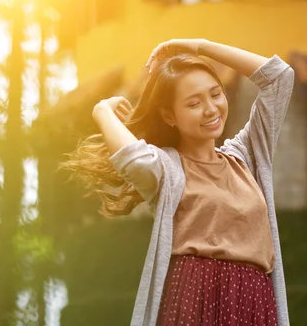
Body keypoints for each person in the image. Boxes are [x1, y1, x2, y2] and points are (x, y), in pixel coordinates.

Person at [61, 38, 294, 326]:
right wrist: (102, 112)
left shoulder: (247, 156)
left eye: (215, 94)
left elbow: (279, 78)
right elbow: (133, 159)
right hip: (193, 297)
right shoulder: (166, 167)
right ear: (170, 116)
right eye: (194, 103)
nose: (210, 109)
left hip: (254, 300)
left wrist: (199, 46)